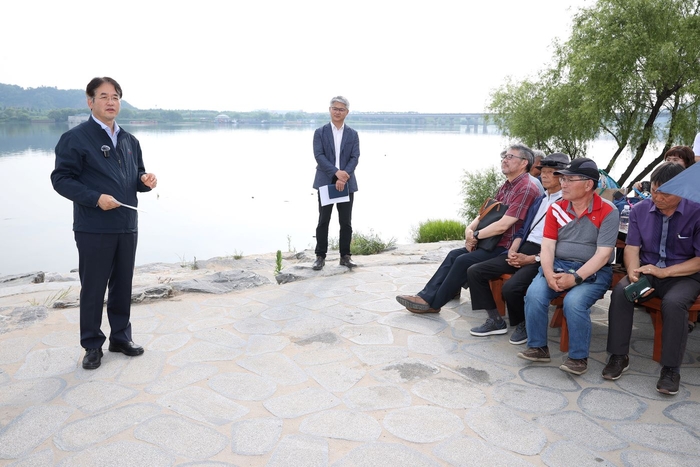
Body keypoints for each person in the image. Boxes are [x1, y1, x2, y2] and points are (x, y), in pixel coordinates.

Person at [51, 77, 157, 370]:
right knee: (94, 288)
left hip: (126, 224)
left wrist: (145, 182)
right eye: (104, 96)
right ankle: (92, 345)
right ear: (90, 101)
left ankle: (121, 338)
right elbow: (60, 179)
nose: (111, 102)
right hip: (93, 226)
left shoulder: (129, 140)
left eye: (115, 97)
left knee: (123, 285)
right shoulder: (75, 138)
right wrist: (95, 198)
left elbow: (136, 176)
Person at [396, 144, 540, 313]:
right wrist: (469, 230)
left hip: (505, 247)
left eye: (510, 157)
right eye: (504, 157)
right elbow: (487, 212)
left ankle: (434, 304)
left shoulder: (526, 188)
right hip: (492, 242)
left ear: (524, 163)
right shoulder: (507, 185)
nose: (504, 160)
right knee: (454, 255)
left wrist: (476, 236)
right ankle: (426, 296)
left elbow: (504, 225)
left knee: (463, 260)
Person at [603, 162, 700, 395]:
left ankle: (670, 369)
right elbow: (632, 248)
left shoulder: (696, 212)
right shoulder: (639, 210)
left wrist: (664, 272)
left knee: (674, 304)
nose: (657, 197)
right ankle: (618, 356)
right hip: (647, 270)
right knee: (621, 292)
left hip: (682, 274)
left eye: (665, 193)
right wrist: (633, 273)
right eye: (654, 190)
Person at [518, 158, 619, 376]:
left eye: (569, 179)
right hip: (557, 265)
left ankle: (578, 358)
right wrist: (548, 273)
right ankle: (538, 347)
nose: (562, 183)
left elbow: (603, 255)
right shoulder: (557, 208)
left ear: (588, 184)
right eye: (562, 178)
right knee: (534, 294)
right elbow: (547, 247)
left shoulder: (608, 211)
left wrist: (575, 278)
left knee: (574, 302)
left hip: (593, 271)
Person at [467, 152, 569, 343]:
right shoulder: (540, 200)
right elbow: (523, 229)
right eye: (543, 171)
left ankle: (524, 323)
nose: (544, 175)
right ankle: (495, 319)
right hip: (524, 247)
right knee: (475, 271)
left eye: (551, 172)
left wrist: (531, 259)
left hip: (545, 254)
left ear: (563, 176)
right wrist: (514, 250)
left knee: (511, 288)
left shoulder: (568, 204)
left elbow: (564, 243)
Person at [311, 96, 360, 271]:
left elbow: (355, 157)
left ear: (346, 112)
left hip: (346, 182)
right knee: (323, 220)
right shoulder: (320, 132)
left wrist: (343, 176)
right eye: (334, 108)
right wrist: (336, 173)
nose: (337, 112)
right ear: (330, 110)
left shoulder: (352, 134)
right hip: (326, 181)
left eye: (341, 109)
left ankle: (345, 256)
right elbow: (319, 156)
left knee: (345, 221)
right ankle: (320, 256)